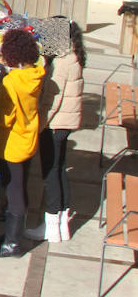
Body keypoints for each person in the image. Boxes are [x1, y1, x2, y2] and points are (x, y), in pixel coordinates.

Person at [0, 28, 45, 258]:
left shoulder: (11, 82)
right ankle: (13, 235)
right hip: (28, 138)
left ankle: (12, 242)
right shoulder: (36, 74)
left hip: (11, 143)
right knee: (19, 189)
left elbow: (5, 117)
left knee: (14, 193)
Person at [31, 17, 85, 243]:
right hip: (66, 123)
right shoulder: (74, 55)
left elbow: (52, 99)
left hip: (55, 124)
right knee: (60, 169)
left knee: (51, 172)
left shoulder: (61, 61)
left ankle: (52, 225)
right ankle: (62, 223)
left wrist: (40, 124)